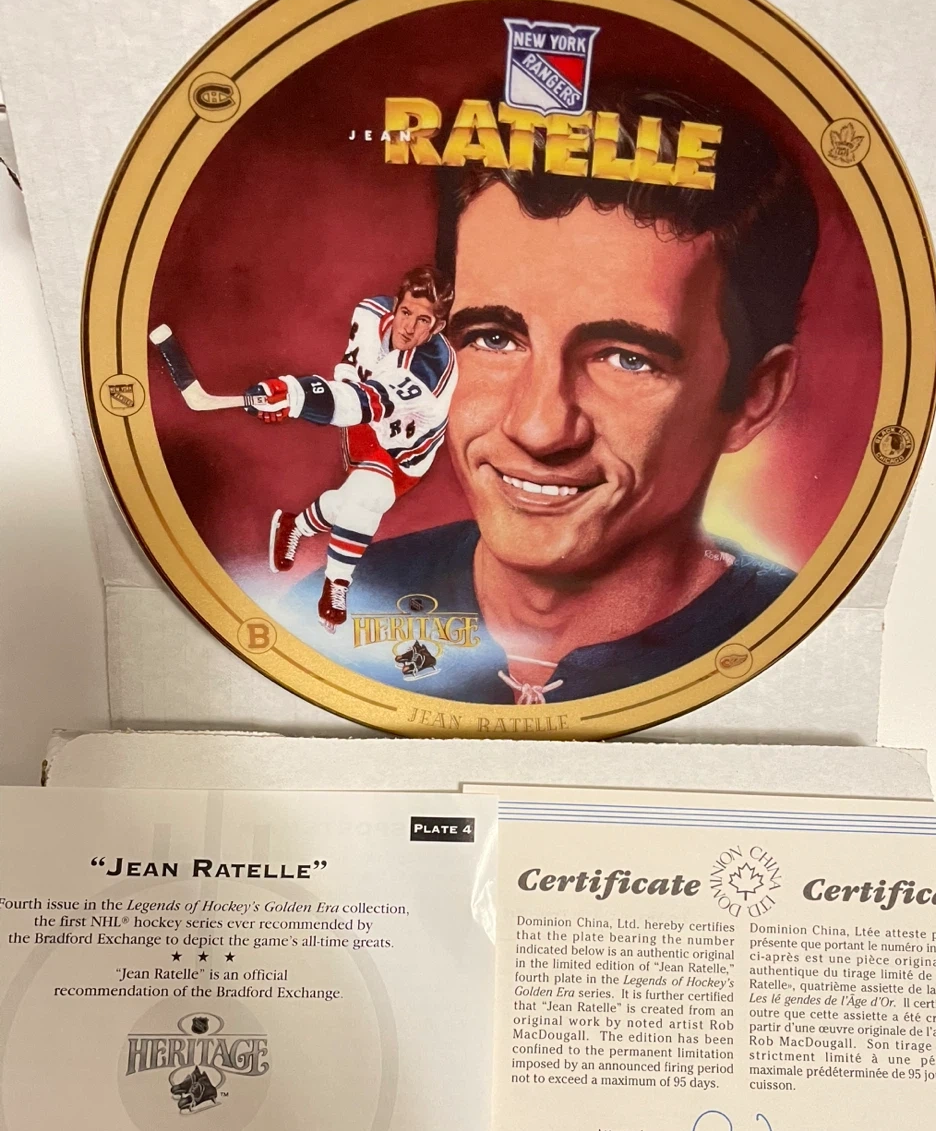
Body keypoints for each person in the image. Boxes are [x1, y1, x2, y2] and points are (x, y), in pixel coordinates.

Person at [298, 90, 819, 701]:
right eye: (493, 338)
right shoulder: (329, 611)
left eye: (626, 358)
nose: (540, 429)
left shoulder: (807, 654)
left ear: (755, 398)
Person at [242, 265, 457, 630]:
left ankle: (296, 525)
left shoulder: (432, 369)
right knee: (368, 499)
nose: (408, 327)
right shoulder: (371, 313)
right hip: (363, 424)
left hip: (408, 450)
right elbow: (350, 384)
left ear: (437, 327)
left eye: (423, 321)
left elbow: (366, 402)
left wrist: (296, 396)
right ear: (396, 305)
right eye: (406, 312)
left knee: (349, 503)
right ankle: (337, 585)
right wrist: (293, 394)